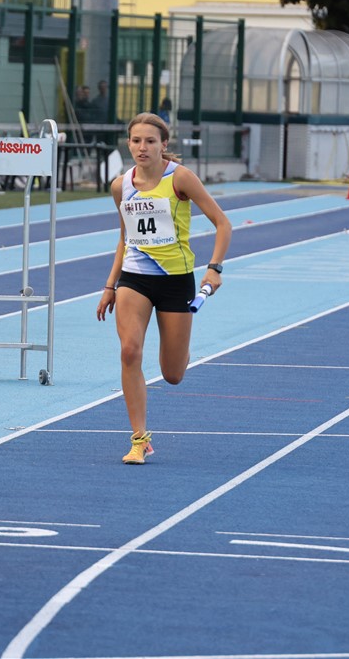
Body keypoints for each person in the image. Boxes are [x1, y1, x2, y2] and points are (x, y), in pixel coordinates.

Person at [96, 112, 232, 465]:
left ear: (163, 145)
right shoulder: (120, 186)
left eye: (150, 141)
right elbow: (125, 238)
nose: (142, 147)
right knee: (129, 351)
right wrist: (110, 285)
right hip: (134, 279)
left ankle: (179, 347)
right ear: (128, 144)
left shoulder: (180, 178)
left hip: (175, 280)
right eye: (136, 141)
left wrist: (214, 268)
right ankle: (139, 439)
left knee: (173, 374)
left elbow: (222, 223)